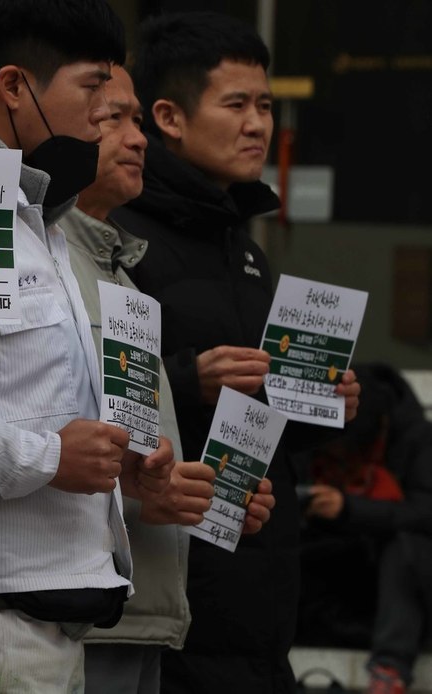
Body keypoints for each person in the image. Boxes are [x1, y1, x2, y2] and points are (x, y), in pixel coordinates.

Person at [115, 12, 360, 693]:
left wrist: (323, 402)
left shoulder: (246, 251)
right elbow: (86, 395)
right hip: (162, 606)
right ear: (168, 115)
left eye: (265, 106)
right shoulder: (118, 236)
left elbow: (270, 422)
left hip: (262, 601)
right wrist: (186, 379)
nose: (258, 125)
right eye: (237, 105)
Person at [0, 3, 180, 691]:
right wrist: (49, 457)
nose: (104, 113)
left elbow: (35, 401)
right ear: (15, 87)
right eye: (91, 87)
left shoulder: (40, 215)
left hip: (52, 626)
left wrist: (120, 470)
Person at [62, 63, 275, 694]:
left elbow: (138, 445)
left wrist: (219, 495)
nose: (137, 140)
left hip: (154, 605)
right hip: (75, 608)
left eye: (266, 104)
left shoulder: (124, 269)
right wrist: (189, 381)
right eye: (112, 120)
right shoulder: (42, 258)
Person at [298, 363, 432, 694]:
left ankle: (389, 669)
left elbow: (425, 513)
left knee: (408, 543)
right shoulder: (309, 436)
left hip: (397, 593)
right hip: (325, 585)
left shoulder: (417, 442)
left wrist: (348, 509)